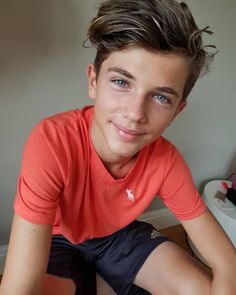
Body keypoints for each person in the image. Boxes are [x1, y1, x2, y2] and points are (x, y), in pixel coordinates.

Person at [1, 0, 236, 294]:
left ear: (177, 110)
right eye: (121, 82)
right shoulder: (52, 141)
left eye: (161, 97)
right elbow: (19, 288)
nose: (135, 113)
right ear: (93, 81)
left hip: (118, 236)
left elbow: (227, 263)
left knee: (200, 287)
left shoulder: (165, 160)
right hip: (57, 239)